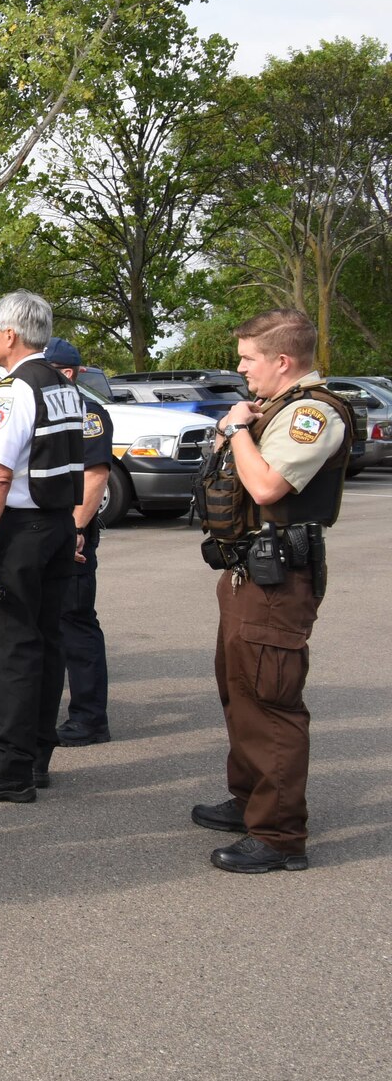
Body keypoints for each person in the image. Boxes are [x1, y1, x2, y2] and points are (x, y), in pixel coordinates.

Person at [191, 309, 350, 873]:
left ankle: (280, 835)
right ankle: (249, 800)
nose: (241, 368)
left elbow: (265, 484)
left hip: (278, 577)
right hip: (246, 571)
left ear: (282, 361)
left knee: (270, 700)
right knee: (239, 692)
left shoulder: (312, 412)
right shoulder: (274, 409)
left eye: (248, 358)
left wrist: (235, 429)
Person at [0, 291, 85, 805]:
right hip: (54, 525)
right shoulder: (64, 386)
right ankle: (35, 755)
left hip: (20, 532)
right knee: (45, 644)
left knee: (12, 650)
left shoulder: (13, 389)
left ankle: (8, 765)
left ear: (10, 334)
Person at [45, 338, 114, 747]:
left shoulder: (90, 412)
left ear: (67, 373)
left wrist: (75, 530)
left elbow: (96, 476)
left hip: (72, 535)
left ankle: (89, 718)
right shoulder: (48, 409)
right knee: (46, 625)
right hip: (43, 533)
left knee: (75, 623)